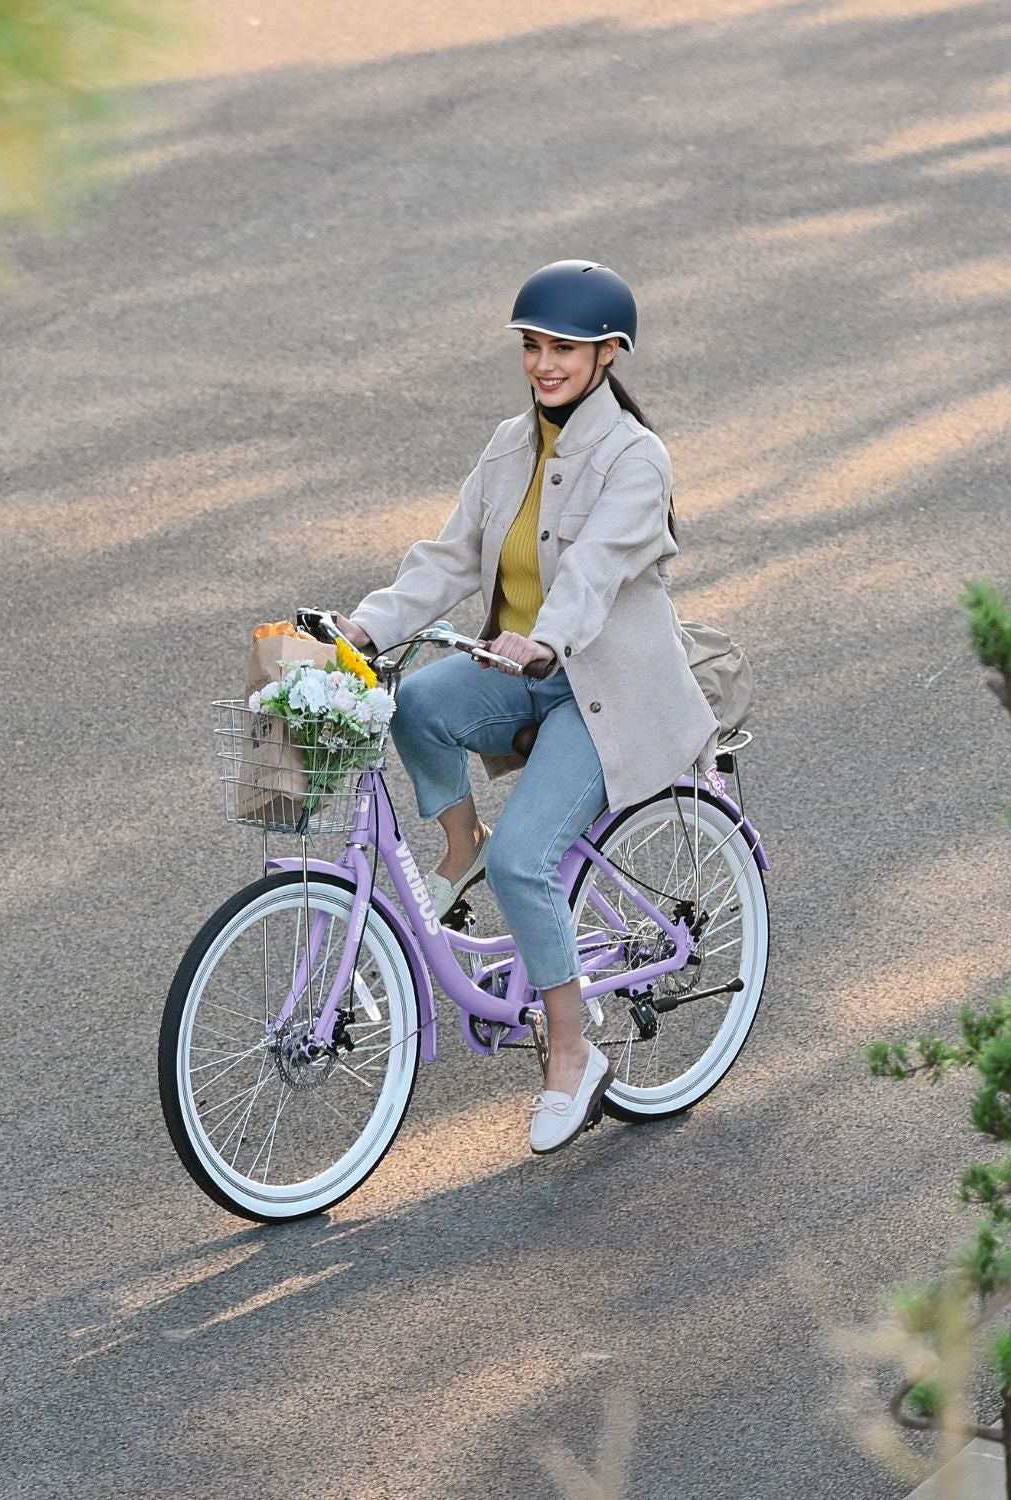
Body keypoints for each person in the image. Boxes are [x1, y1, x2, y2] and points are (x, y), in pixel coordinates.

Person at [336, 259, 719, 1156]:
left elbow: (593, 573)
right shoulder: (511, 443)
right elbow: (449, 560)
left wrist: (544, 636)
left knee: (527, 862)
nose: (544, 364)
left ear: (608, 355)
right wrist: (363, 622)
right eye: (533, 346)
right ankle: (456, 848)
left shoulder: (635, 457)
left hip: (606, 691)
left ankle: (572, 1057)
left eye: (565, 350)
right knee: (417, 703)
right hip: (526, 666)